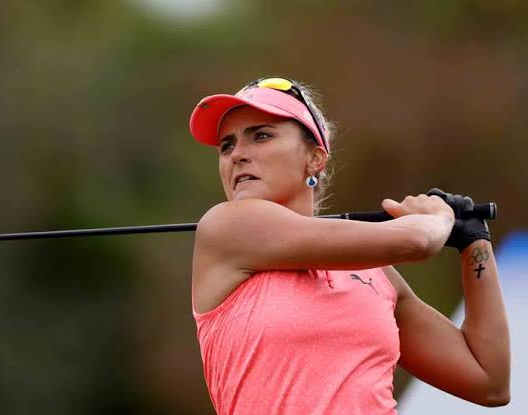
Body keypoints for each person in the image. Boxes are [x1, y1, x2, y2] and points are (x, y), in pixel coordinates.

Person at [187, 77, 510, 415]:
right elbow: (416, 241)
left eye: (261, 136)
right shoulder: (226, 227)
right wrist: (438, 217)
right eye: (226, 145)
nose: (237, 155)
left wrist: (474, 241)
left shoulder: (376, 274)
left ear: (315, 158)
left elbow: (488, 381)